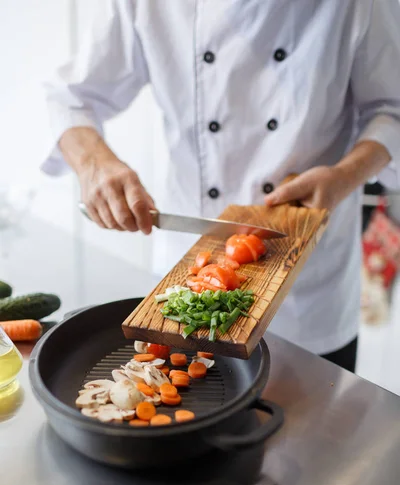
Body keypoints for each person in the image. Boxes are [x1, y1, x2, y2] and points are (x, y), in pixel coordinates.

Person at [41, 0, 400, 373]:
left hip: (308, 296)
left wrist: (346, 174)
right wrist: (94, 164)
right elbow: (71, 97)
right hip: (185, 290)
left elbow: (392, 109)